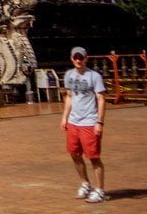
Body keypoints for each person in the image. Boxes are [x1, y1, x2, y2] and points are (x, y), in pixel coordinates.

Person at [61, 46, 107, 203]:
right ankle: (85, 184)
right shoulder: (68, 75)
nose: (78, 60)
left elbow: (101, 99)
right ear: (72, 58)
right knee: (74, 154)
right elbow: (69, 96)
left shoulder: (94, 76)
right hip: (74, 121)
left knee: (93, 157)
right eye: (76, 57)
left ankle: (100, 189)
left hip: (89, 121)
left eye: (81, 57)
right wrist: (64, 117)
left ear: (86, 58)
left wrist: (99, 121)